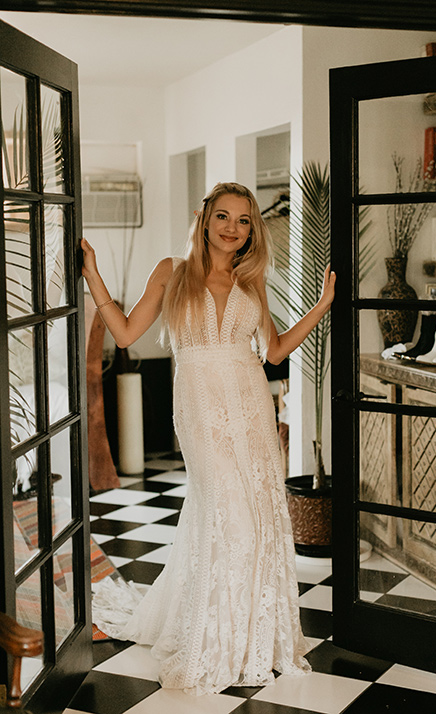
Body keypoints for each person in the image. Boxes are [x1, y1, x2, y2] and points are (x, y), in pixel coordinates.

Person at [82, 181, 336, 696]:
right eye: (224, 216)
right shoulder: (171, 271)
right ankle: (214, 635)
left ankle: (252, 639)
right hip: (199, 409)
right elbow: (127, 333)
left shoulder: (252, 278)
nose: (232, 228)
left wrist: (323, 304)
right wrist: (93, 276)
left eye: (244, 220)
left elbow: (275, 350)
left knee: (258, 517)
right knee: (226, 513)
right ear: (205, 219)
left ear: (251, 230)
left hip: (251, 407)